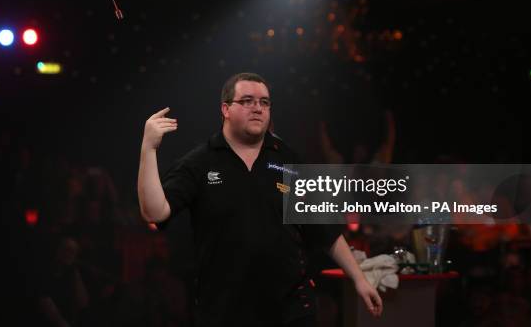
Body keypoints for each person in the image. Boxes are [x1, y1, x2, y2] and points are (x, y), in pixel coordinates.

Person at [137, 72, 382, 326]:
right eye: (247, 101)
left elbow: (325, 230)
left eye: (264, 102)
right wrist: (149, 148)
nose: (257, 108)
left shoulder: (289, 159)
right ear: (226, 109)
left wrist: (359, 280)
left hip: (290, 311)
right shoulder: (200, 162)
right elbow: (154, 212)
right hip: (224, 312)